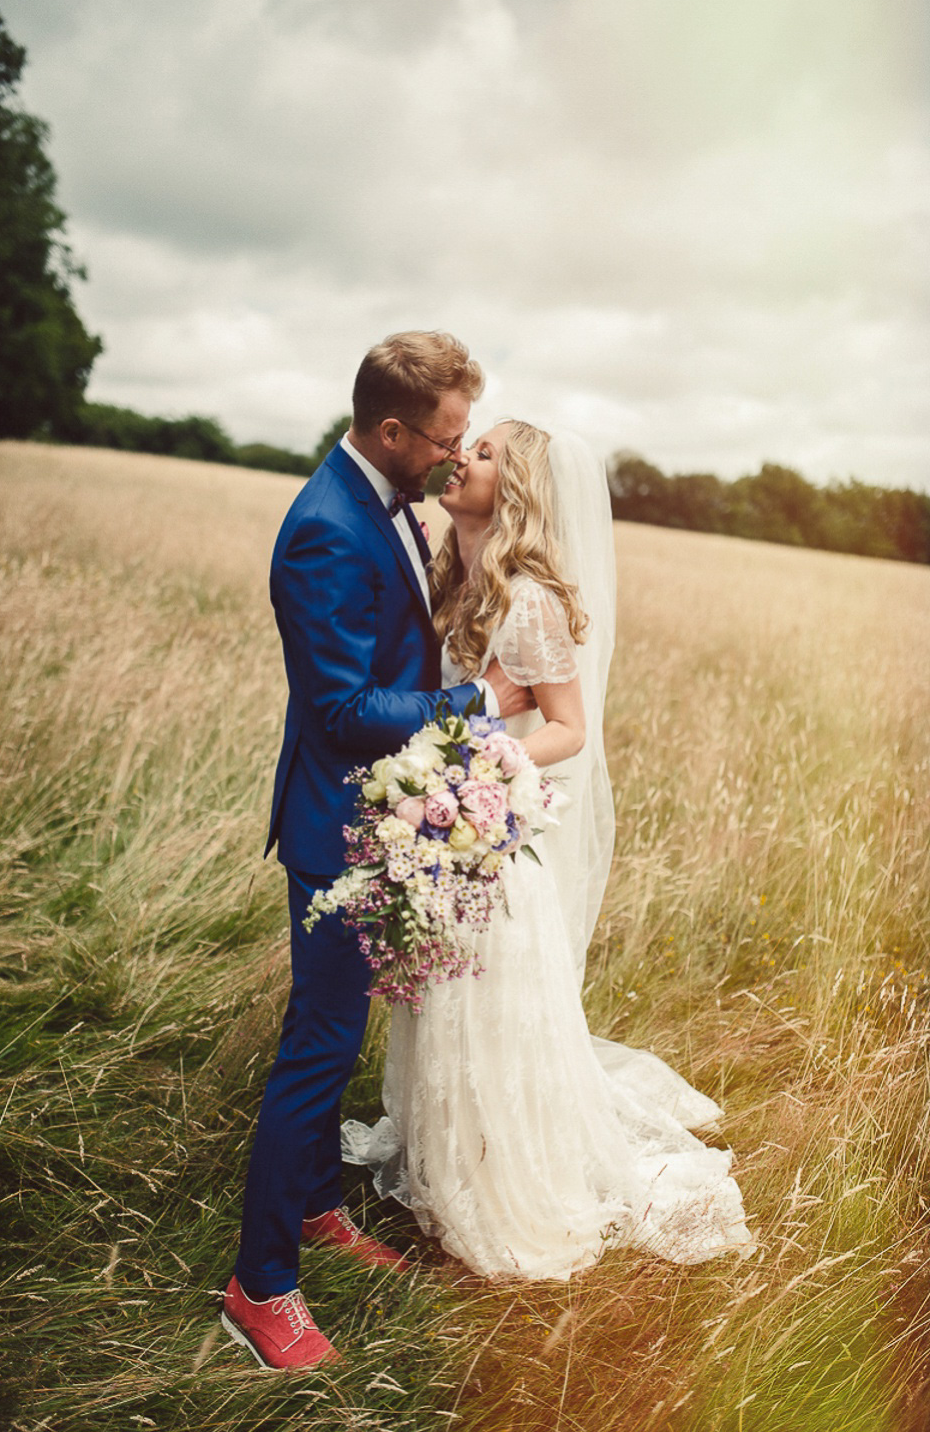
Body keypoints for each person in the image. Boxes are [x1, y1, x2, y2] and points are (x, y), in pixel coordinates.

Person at [342, 419, 754, 1279]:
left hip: (484, 830)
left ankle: (497, 1181)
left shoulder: (527, 599)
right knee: (439, 1008)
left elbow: (567, 727)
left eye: (485, 454)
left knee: (482, 1013)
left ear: (519, 490)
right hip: (446, 827)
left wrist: (476, 770)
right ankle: (445, 1157)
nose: (463, 457)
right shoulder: (451, 578)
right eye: (467, 445)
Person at [221, 333, 534, 1370]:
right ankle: (259, 1285)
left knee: (336, 1032)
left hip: (374, 820)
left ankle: (316, 1207)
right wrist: (471, 706)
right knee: (316, 1050)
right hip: (335, 829)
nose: (455, 457)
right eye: (442, 438)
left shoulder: (387, 502)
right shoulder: (326, 527)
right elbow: (345, 709)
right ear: (390, 429)